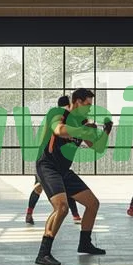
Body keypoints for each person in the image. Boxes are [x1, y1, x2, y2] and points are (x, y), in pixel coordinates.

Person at [34, 88, 112, 265]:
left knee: (93, 204)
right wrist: (82, 130)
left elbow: (98, 147)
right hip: (47, 166)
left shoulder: (82, 122)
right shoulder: (58, 113)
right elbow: (59, 130)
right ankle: (43, 253)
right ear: (77, 101)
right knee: (62, 207)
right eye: (87, 105)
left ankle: (85, 243)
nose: (89, 109)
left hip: (64, 170)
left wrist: (106, 132)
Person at [25, 95, 80, 224]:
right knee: (43, 187)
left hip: (50, 159)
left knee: (40, 187)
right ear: (68, 105)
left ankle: (29, 213)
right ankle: (75, 215)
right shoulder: (59, 116)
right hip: (47, 160)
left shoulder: (59, 116)